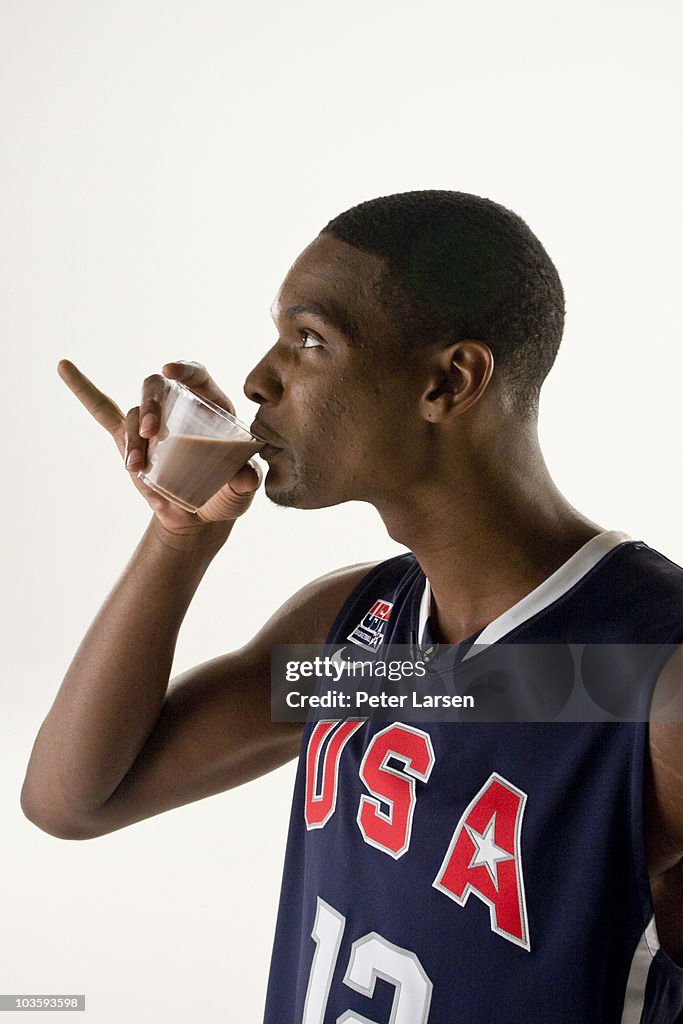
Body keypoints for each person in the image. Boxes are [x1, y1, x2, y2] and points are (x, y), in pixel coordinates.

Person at [21, 191, 683, 1022]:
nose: (258, 379)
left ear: (448, 381)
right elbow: (72, 801)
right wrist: (177, 537)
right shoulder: (358, 637)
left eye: (308, 340)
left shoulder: (657, 674)